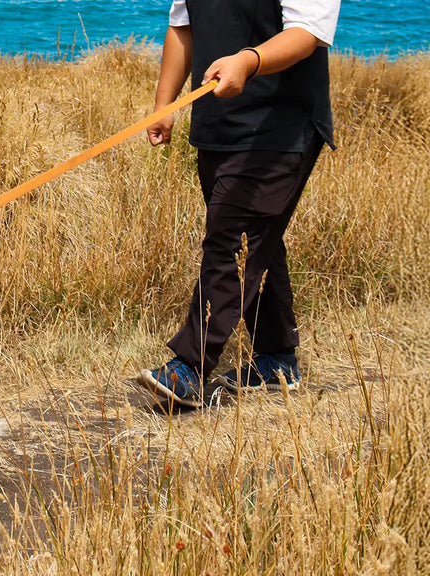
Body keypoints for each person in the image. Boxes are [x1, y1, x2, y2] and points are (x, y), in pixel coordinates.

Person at [137, 0, 340, 412]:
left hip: (281, 126)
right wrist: (165, 104)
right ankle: (276, 359)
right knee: (256, 238)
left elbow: (309, 34)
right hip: (217, 126)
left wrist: (248, 62)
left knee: (231, 241)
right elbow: (183, 26)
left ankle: (190, 366)